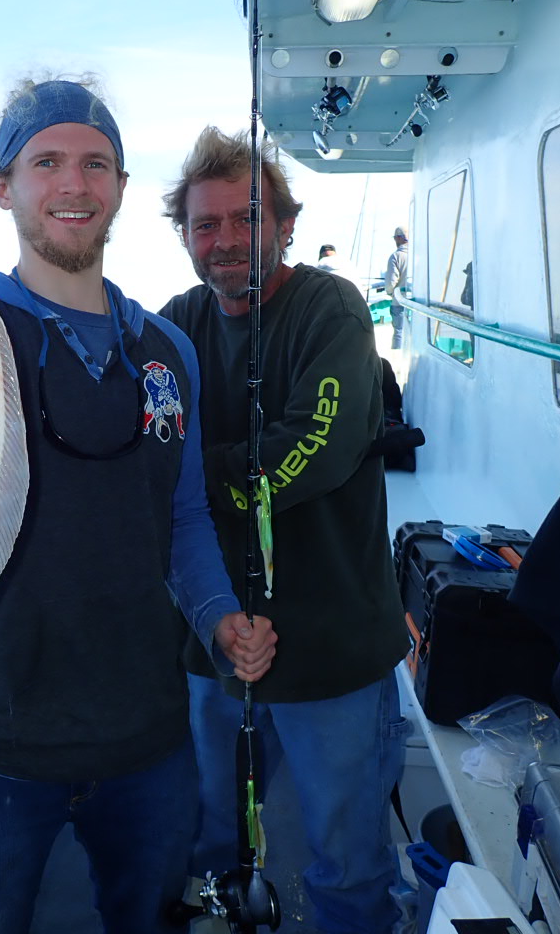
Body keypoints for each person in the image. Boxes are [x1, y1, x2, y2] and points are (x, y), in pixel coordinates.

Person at [0, 81, 277, 934]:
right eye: (46, 162)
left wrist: (221, 617)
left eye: (94, 163)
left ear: (117, 185)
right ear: (4, 187)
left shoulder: (169, 351)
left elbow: (183, 518)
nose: (72, 184)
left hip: (148, 739)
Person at [159, 126, 409, 934]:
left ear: (287, 225)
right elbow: (131, 447)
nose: (226, 240)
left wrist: (189, 480)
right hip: (211, 645)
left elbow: (318, 448)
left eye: (247, 219)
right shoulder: (171, 327)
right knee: (209, 832)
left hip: (331, 648)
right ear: (185, 235)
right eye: (206, 224)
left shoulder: (330, 306)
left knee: (347, 856)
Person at [386, 226, 411, 349]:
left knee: (399, 333)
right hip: (417, 302)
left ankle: (398, 360)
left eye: (395, 238)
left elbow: (391, 282)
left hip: (399, 301)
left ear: (399, 238)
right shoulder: (418, 255)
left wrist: (390, 292)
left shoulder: (396, 256)